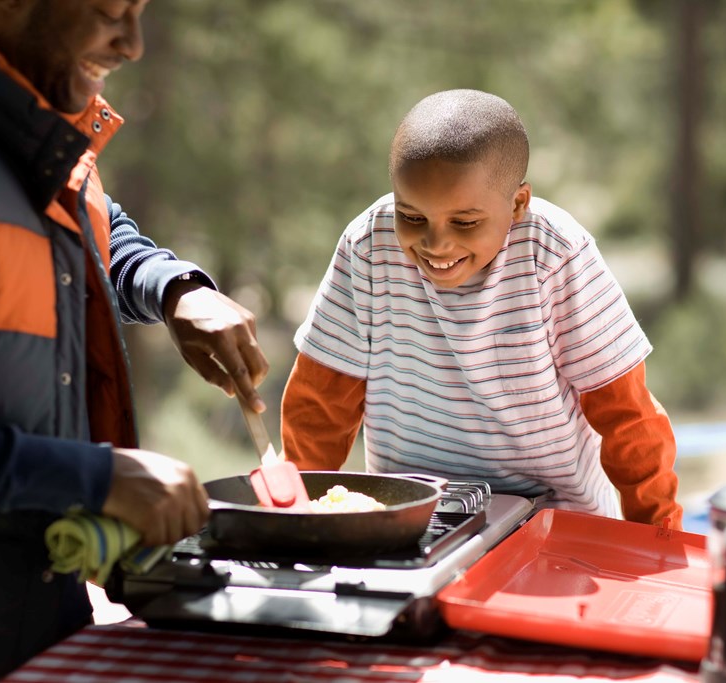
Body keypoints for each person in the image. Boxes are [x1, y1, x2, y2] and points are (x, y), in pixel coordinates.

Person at [0, 1, 269, 679]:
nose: (135, 44)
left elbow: (90, 225)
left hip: (31, 620)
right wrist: (94, 476)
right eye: (111, 10)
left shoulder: (32, 113)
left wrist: (174, 288)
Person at [280, 89, 682, 527]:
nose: (436, 244)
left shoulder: (555, 254)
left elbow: (628, 417)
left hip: (552, 521)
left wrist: (659, 537)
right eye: (412, 217)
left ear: (517, 204)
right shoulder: (368, 247)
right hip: (412, 517)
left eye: (465, 223)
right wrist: (293, 517)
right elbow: (320, 406)